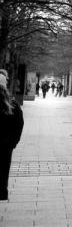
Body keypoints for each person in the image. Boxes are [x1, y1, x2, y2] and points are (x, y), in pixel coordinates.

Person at [0, 70, 26, 201]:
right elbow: (19, 124)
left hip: (6, 144)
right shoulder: (12, 103)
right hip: (5, 146)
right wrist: (12, 143)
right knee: (3, 173)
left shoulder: (12, 104)